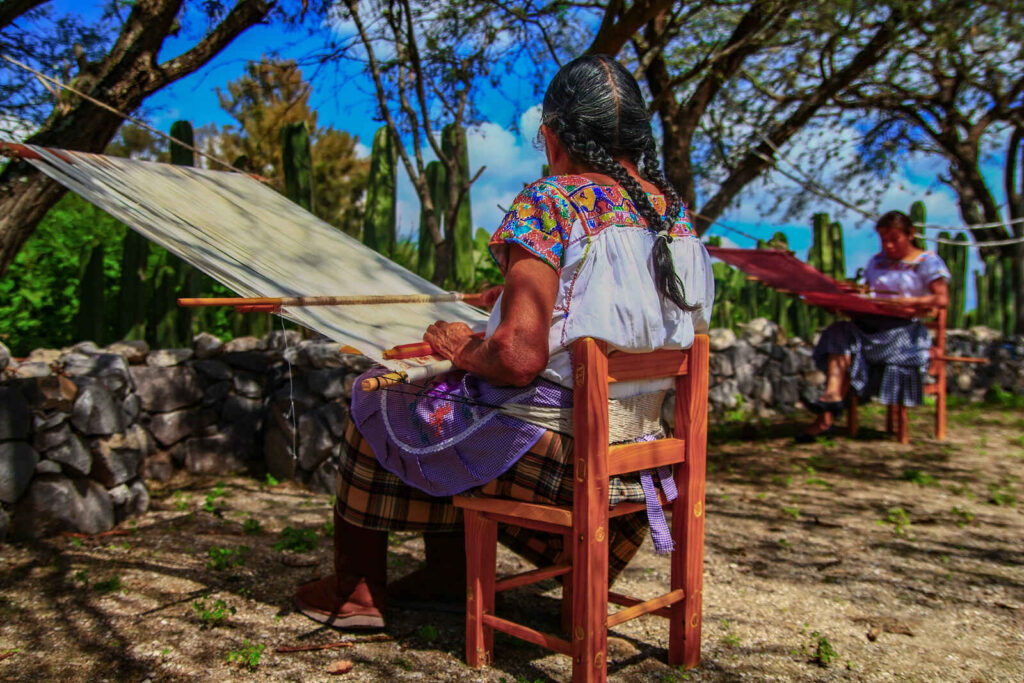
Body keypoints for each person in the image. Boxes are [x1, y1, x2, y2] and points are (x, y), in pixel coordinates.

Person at [293, 54, 714, 630]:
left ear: (551, 136)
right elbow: (618, 307)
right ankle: (445, 576)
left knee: (379, 391)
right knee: (445, 398)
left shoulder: (552, 201)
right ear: (637, 137)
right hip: (643, 451)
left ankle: (357, 593)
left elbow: (517, 359)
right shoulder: (675, 216)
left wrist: (458, 345)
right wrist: (508, 301)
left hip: (563, 454)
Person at [799, 210, 950, 441]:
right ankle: (831, 398)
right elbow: (868, 293)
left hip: (904, 334)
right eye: (883, 239)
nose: (888, 245)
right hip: (870, 328)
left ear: (910, 234)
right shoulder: (877, 261)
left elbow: (941, 299)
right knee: (838, 333)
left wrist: (909, 302)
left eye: (894, 239)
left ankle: (825, 419)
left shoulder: (927, 262)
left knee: (854, 345)